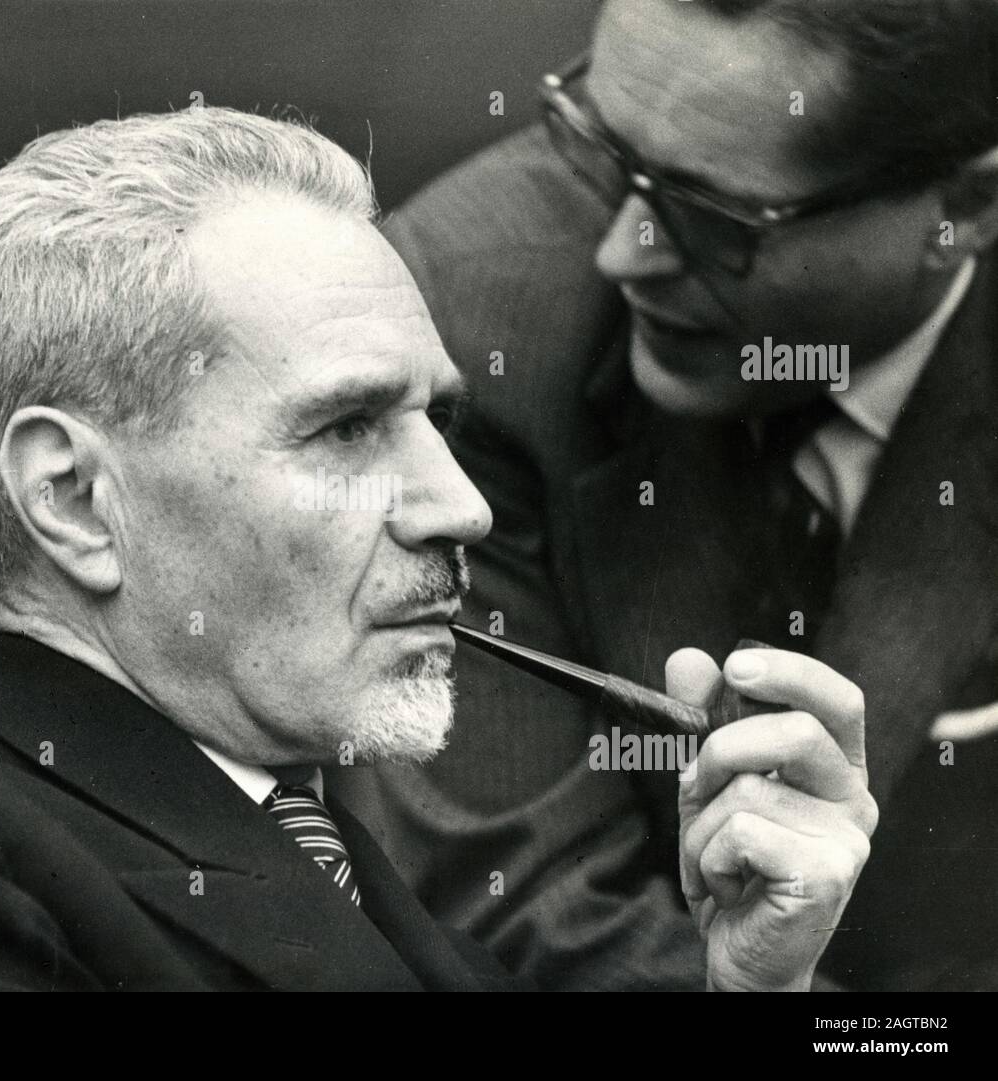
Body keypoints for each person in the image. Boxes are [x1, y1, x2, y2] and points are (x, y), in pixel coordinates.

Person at [0, 107, 874, 991]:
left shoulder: (402, 920)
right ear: (71, 496)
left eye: (439, 422)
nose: (461, 506)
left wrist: (749, 993)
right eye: (348, 426)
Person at [329, 0, 998, 991]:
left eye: (716, 218)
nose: (623, 252)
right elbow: (527, 900)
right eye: (598, 142)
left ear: (968, 209)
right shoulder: (465, 328)